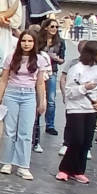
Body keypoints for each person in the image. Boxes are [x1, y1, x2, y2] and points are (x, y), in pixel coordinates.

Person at [0, 31, 48, 180]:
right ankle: (6, 162)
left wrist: (42, 101)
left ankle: (23, 165)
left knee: (25, 131)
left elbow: (40, 83)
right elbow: (4, 79)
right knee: (9, 130)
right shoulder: (11, 57)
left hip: (29, 95)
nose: (26, 44)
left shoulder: (40, 59)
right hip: (12, 93)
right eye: (24, 40)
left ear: (34, 43)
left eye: (30, 41)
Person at [57, 41, 97, 183]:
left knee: (86, 141)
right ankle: (65, 169)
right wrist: (84, 88)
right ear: (95, 52)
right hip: (76, 108)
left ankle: (78, 170)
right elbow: (69, 92)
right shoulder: (76, 68)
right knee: (76, 139)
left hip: (92, 108)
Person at [32, 17, 66, 152]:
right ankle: (35, 122)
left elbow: (62, 59)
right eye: (52, 26)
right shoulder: (38, 39)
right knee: (38, 97)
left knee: (51, 99)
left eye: (57, 27)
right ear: (45, 27)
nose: (55, 29)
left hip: (52, 70)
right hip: (38, 70)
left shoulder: (60, 42)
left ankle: (50, 125)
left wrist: (57, 59)